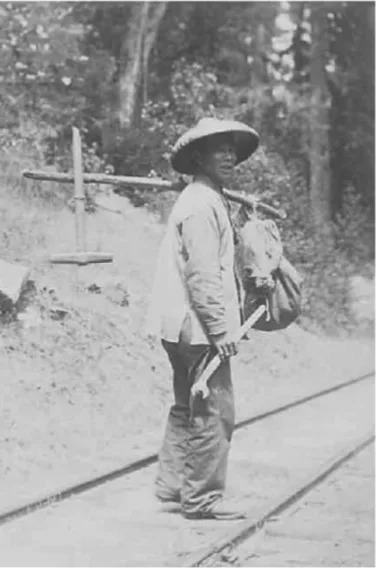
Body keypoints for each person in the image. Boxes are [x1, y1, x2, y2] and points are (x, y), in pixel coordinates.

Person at [146, 117, 259, 520]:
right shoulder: (199, 204)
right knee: (215, 409)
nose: (228, 155)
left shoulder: (205, 198)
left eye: (232, 148)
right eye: (218, 148)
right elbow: (202, 273)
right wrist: (220, 327)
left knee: (186, 404)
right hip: (195, 328)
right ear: (198, 156)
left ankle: (174, 486)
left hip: (178, 326)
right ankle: (203, 498)